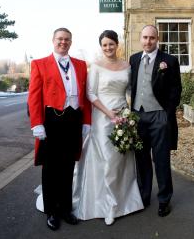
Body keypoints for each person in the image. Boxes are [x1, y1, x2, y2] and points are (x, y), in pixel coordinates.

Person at [72, 30, 144, 225]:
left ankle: (124, 201)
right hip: (103, 118)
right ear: (101, 47)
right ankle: (107, 206)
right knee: (107, 160)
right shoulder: (95, 67)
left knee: (121, 158)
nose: (108, 48)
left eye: (111, 44)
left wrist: (128, 113)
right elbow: (91, 94)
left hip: (123, 116)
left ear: (117, 44)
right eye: (104, 45)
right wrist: (108, 112)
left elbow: (129, 90)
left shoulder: (127, 66)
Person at [28, 27, 91, 231]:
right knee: (51, 168)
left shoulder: (81, 65)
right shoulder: (39, 64)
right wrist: (37, 123)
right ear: (53, 40)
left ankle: (65, 209)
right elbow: (34, 96)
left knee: (68, 167)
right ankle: (52, 212)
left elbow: (86, 97)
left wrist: (86, 122)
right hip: (51, 120)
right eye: (60, 39)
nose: (63, 42)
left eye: (67, 39)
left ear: (71, 42)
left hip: (73, 119)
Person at [129, 25, 182, 217]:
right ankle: (144, 197)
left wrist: (167, 113)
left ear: (157, 39)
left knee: (161, 159)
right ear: (140, 38)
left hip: (159, 116)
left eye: (152, 38)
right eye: (145, 37)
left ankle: (164, 200)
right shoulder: (134, 59)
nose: (148, 41)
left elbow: (176, 89)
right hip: (138, 115)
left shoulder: (169, 60)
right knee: (141, 159)